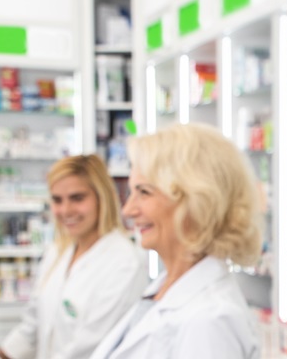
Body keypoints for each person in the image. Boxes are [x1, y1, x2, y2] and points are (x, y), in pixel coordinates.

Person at [89, 124, 263, 359]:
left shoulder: (210, 321)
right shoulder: (166, 286)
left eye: (144, 192)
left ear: (196, 201)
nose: (128, 210)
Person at [0, 155, 148, 359]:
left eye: (77, 198)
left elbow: (89, 349)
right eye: (57, 200)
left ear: (101, 197)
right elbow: (32, 326)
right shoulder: (58, 251)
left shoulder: (125, 262)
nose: (66, 210)